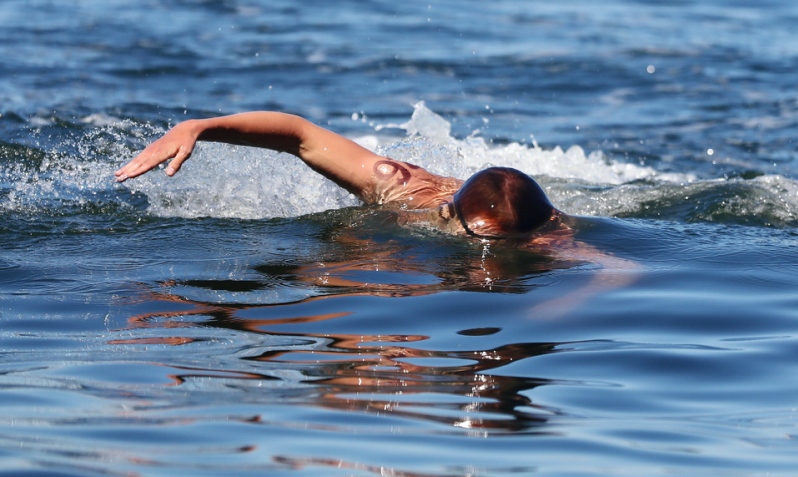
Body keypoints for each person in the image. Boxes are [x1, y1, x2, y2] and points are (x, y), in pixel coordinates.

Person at [115, 111, 639, 314]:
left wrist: (550, 308)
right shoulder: (401, 189)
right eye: (477, 241)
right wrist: (200, 128)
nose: (483, 254)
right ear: (448, 217)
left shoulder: (546, 235)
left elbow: (622, 271)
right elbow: (301, 136)